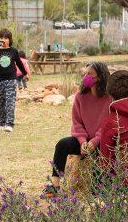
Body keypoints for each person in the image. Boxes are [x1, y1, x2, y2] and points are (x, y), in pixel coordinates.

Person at [43, 62, 111, 198]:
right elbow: (77, 123)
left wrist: (95, 142)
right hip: (83, 141)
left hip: (102, 141)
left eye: (90, 74)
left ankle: (98, 188)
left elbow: (108, 124)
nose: (86, 77)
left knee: (103, 153)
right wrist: (82, 142)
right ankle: (54, 185)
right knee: (62, 144)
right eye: (85, 73)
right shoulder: (80, 96)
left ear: (100, 77)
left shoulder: (109, 98)